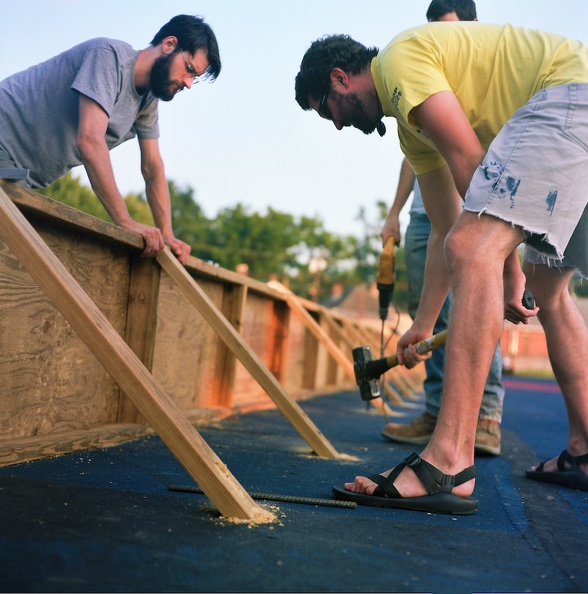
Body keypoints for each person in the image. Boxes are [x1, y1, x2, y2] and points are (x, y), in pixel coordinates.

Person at [295, 20, 588, 514]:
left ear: (341, 78)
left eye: (326, 111)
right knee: (548, 286)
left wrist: (507, 267)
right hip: (573, 111)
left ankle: (449, 457)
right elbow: (445, 228)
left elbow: (474, 167)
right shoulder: (412, 131)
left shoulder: (397, 62)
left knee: (481, 249)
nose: (338, 125)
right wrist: (422, 325)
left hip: (568, 98)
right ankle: (585, 451)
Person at [380, 0, 504, 457]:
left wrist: (508, 265)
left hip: (481, 184)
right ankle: (438, 410)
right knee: (428, 303)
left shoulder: (481, 72)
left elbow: (473, 162)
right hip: (430, 195)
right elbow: (416, 149)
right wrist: (395, 211)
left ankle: (486, 416)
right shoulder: (420, 75)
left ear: (472, 28)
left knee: (477, 290)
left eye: (448, 33)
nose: (440, 43)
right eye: (433, 33)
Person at [0, 14, 221, 265]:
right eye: (189, 69)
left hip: (21, 174)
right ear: (169, 44)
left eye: (195, 78)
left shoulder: (147, 101)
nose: (188, 83)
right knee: (20, 264)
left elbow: (152, 168)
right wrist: (125, 222)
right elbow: (90, 140)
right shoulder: (108, 57)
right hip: (3, 143)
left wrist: (167, 234)